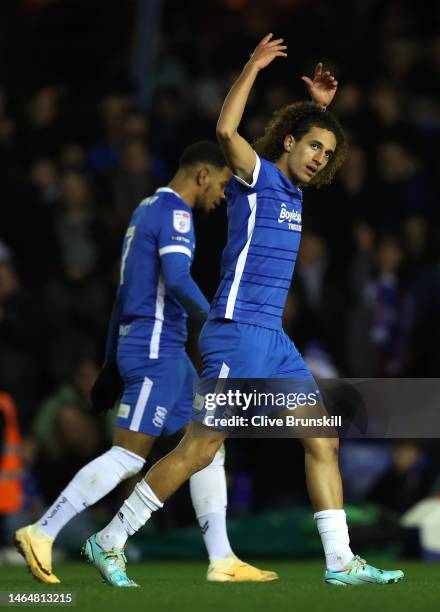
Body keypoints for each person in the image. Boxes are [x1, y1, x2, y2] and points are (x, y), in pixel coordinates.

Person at [83, 35, 404, 587]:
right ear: (287, 142)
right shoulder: (256, 178)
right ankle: (108, 540)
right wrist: (254, 66)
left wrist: (318, 114)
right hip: (234, 336)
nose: (320, 158)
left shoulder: (297, 193)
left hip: (272, 342)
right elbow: (225, 131)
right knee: (200, 450)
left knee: (322, 439)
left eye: (327, 153)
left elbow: (306, 139)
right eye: (312, 148)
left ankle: (340, 562)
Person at [14, 141, 276, 586]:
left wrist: (110, 362)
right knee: (127, 457)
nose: (221, 196)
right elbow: (176, 279)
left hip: (159, 351)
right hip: (157, 348)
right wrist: (216, 321)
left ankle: (222, 558)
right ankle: (43, 532)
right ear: (201, 175)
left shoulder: (143, 209)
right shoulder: (176, 213)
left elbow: (122, 293)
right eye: (222, 184)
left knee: (208, 448)